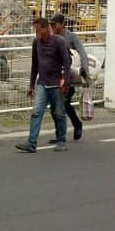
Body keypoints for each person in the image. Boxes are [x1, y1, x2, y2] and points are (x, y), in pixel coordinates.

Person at [17, 17, 72, 153]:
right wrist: (31, 85)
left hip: (56, 83)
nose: (36, 33)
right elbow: (35, 65)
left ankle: (61, 140)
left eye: (37, 30)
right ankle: (32, 143)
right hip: (42, 83)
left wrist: (65, 80)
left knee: (59, 113)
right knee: (36, 112)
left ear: (45, 28)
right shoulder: (36, 43)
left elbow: (67, 62)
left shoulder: (58, 41)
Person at [49, 14, 89, 141]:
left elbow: (82, 54)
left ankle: (75, 125)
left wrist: (84, 71)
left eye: (54, 24)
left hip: (69, 77)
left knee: (64, 103)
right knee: (54, 108)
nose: (52, 27)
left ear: (61, 24)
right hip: (55, 76)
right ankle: (60, 133)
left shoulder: (71, 37)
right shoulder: (51, 37)